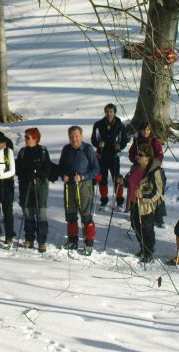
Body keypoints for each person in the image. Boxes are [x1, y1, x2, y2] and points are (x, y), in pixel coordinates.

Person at [59, 126, 100, 255]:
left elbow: (96, 169)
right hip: (69, 186)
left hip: (84, 186)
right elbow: (61, 167)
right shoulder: (66, 149)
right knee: (71, 215)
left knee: (86, 215)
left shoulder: (87, 149)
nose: (74, 139)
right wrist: (63, 175)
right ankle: (72, 240)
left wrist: (83, 176)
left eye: (76, 136)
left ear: (81, 136)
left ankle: (88, 243)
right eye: (71, 136)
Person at [15, 128, 52, 253]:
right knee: (28, 212)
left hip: (39, 185)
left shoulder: (42, 151)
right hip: (26, 185)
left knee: (41, 213)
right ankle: (29, 239)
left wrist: (37, 173)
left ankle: (41, 241)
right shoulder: (22, 152)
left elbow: (48, 169)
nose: (25, 140)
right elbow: (18, 169)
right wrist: (27, 174)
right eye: (25, 137)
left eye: (28, 137)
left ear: (35, 139)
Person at [129, 144, 164, 262]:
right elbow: (131, 182)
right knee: (136, 226)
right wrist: (122, 181)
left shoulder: (154, 171)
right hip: (134, 203)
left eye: (140, 155)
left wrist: (143, 195)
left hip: (146, 206)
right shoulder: (135, 168)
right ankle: (142, 248)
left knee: (146, 229)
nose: (137, 157)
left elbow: (157, 192)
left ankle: (149, 252)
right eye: (137, 154)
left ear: (148, 157)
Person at [128, 121, 166, 226]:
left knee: (156, 192)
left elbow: (160, 156)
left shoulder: (154, 141)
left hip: (153, 169)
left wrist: (151, 164)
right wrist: (136, 160)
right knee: (136, 190)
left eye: (148, 129)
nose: (146, 131)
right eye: (144, 129)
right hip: (139, 168)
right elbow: (131, 154)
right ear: (140, 130)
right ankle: (135, 214)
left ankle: (159, 217)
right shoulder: (136, 140)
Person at [91, 103, 129, 209]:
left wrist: (120, 145)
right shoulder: (98, 124)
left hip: (114, 155)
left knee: (117, 178)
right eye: (107, 111)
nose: (109, 114)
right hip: (102, 154)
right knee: (102, 178)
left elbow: (124, 140)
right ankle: (104, 200)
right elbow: (94, 138)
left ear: (114, 112)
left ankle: (119, 200)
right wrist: (98, 144)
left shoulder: (119, 125)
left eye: (111, 111)